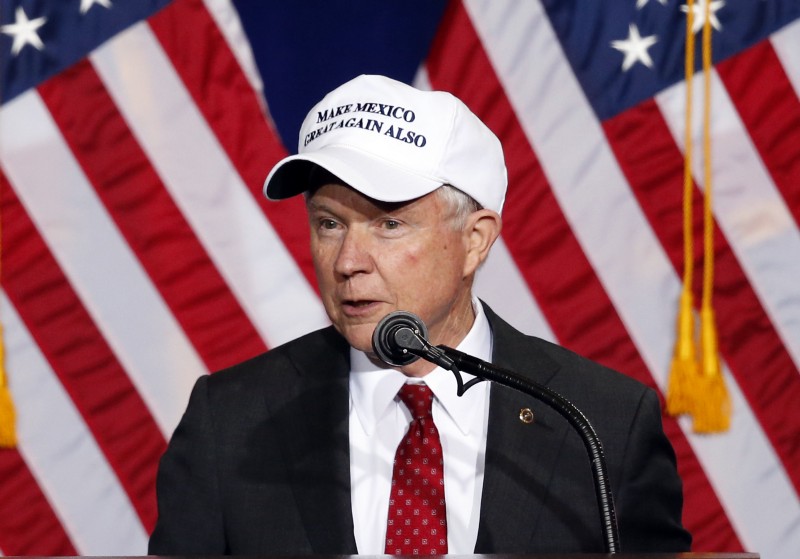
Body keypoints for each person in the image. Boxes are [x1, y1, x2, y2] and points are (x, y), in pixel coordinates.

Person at [149, 74, 691, 555]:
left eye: (389, 224)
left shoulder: (600, 421)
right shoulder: (230, 421)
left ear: (475, 241)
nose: (348, 263)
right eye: (329, 223)